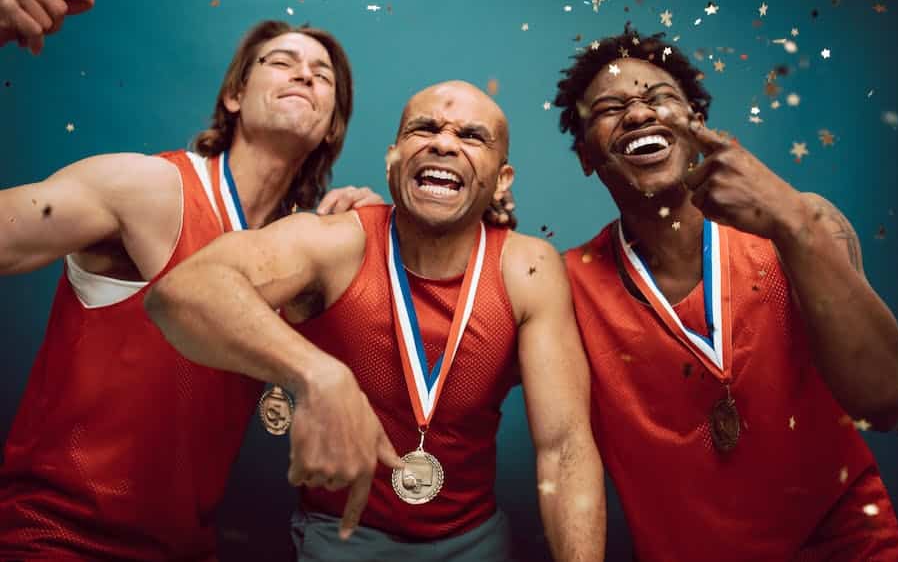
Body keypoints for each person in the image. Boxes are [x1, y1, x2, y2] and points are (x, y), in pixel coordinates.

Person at [0, 0, 386, 560]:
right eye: (281, 62)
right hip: (55, 541)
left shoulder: (307, 254)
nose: (304, 75)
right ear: (235, 95)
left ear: (332, 126)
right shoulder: (143, 188)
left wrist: (386, 231)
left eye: (322, 75)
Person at [146, 80, 606, 561]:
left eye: (471, 136)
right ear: (393, 159)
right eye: (424, 128)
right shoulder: (334, 243)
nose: (443, 143)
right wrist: (318, 375)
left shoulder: (529, 269)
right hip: (341, 537)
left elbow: (564, 447)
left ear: (502, 178)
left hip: (475, 541)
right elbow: (181, 293)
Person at [555, 22, 898, 560]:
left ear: (696, 124)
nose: (639, 114)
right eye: (609, 108)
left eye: (659, 98)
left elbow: (884, 404)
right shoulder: (562, 285)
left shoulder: (804, 223)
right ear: (586, 155)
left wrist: (793, 222)